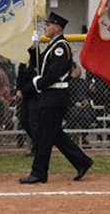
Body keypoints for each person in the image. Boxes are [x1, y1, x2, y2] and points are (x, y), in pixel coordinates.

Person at [19, 12, 93, 184]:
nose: (45, 27)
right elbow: (42, 65)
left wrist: (36, 83)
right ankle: (82, 161)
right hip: (50, 96)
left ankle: (39, 173)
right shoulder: (53, 46)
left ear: (57, 28)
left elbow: (54, 73)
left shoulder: (61, 47)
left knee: (45, 136)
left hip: (55, 96)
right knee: (54, 135)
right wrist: (34, 49)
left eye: (48, 25)